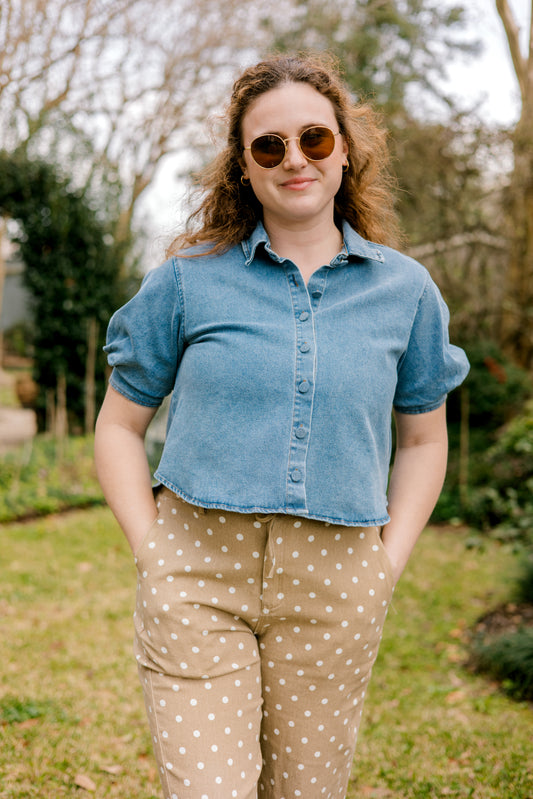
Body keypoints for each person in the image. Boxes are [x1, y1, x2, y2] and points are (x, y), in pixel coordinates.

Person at [94, 52, 469, 799]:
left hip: (337, 585)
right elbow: (117, 427)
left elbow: (425, 439)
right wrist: (154, 551)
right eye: (269, 145)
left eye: (314, 139)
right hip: (196, 576)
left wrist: (382, 566)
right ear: (242, 165)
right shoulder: (185, 283)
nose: (293, 158)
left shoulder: (406, 292)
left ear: (345, 149)